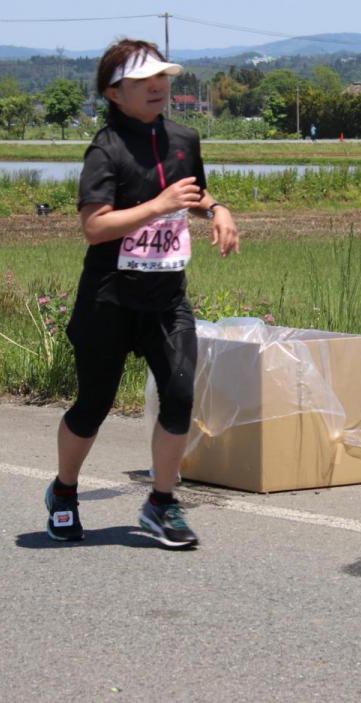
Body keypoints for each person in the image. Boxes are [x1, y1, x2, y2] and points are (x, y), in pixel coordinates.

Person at [45, 39, 239, 548]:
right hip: (109, 298)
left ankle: (161, 503)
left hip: (166, 297)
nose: (158, 87)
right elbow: (95, 227)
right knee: (93, 405)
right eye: (143, 81)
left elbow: (195, 193)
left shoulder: (184, 138)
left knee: (178, 397)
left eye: (164, 77)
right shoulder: (105, 149)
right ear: (114, 93)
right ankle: (64, 491)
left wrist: (217, 210)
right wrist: (158, 205)